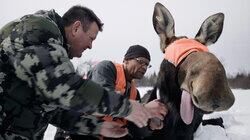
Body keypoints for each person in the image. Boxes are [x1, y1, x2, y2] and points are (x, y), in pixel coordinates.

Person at [0, 6, 152, 139]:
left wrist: (97, 127)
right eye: (91, 38)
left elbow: (54, 111)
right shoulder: (40, 30)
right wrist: (126, 108)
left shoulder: (53, 54)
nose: (91, 46)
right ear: (76, 28)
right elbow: (66, 88)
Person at [55, 45, 168, 140]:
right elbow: (101, 100)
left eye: (147, 65)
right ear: (126, 61)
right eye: (141, 62)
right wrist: (144, 108)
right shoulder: (106, 69)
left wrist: (149, 126)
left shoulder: (134, 93)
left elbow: (135, 130)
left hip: (104, 132)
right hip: (76, 128)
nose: (144, 68)